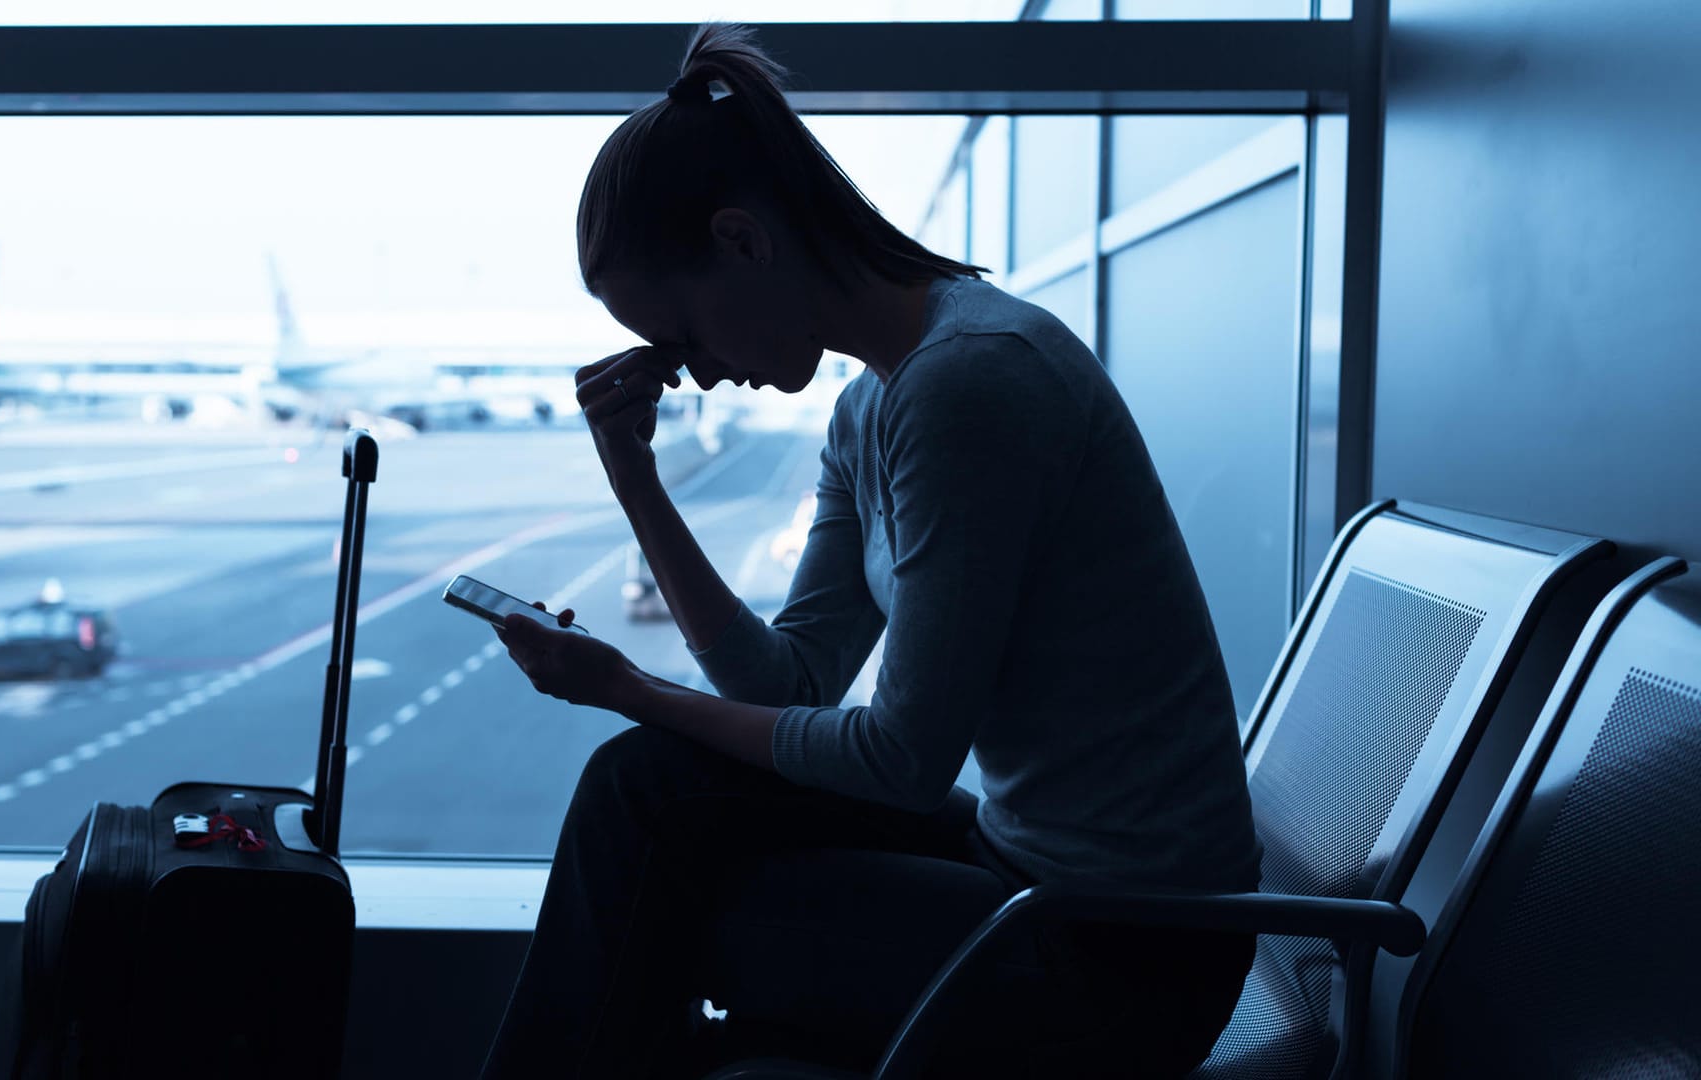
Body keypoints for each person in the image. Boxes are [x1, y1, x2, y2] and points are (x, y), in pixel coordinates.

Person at [481, 22, 1262, 1080]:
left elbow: (901, 762)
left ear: (743, 241)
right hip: (1032, 872)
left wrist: (626, 685)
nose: (697, 376)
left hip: (1121, 959)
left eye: (683, 337)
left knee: (658, 882)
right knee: (645, 795)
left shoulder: (968, 386)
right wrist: (637, 483)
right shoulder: (877, 401)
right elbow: (788, 678)